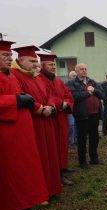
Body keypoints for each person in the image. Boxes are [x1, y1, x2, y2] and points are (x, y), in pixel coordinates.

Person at [0, 40, 48, 210]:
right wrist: (16, 100)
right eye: (4, 55)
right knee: (5, 176)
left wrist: (36, 106)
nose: (9, 58)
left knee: (23, 172)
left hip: (21, 135)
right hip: (1, 138)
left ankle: (23, 209)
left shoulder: (10, 75)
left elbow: (23, 97)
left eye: (9, 54)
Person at [11, 45, 62, 200]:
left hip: (47, 121)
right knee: (38, 158)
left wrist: (51, 106)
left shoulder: (37, 76)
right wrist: (40, 109)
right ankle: (41, 192)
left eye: (36, 61)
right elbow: (21, 97)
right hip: (33, 123)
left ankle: (52, 189)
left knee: (50, 156)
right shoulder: (15, 76)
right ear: (20, 60)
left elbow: (50, 95)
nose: (36, 64)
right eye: (32, 61)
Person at [38, 53, 75, 186]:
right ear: (42, 65)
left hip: (62, 117)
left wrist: (66, 103)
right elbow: (48, 97)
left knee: (63, 143)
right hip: (51, 119)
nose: (54, 67)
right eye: (50, 65)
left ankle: (63, 167)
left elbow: (68, 94)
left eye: (54, 64)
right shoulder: (39, 80)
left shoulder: (58, 80)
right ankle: (57, 174)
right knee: (53, 147)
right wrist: (61, 104)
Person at [68, 63, 105, 169]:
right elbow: (73, 97)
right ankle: (82, 161)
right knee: (82, 138)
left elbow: (102, 94)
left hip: (95, 114)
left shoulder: (92, 81)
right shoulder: (72, 83)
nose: (84, 70)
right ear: (76, 71)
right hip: (82, 115)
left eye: (85, 69)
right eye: (81, 69)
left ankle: (94, 158)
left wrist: (94, 90)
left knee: (95, 137)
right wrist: (87, 93)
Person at [67, 71, 77, 144]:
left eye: (75, 76)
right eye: (73, 76)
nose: (75, 77)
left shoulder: (79, 85)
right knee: (71, 124)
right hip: (70, 108)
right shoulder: (66, 85)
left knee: (77, 124)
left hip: (78, 107)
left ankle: (76, 139)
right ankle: (70, 140)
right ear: (69, 77)